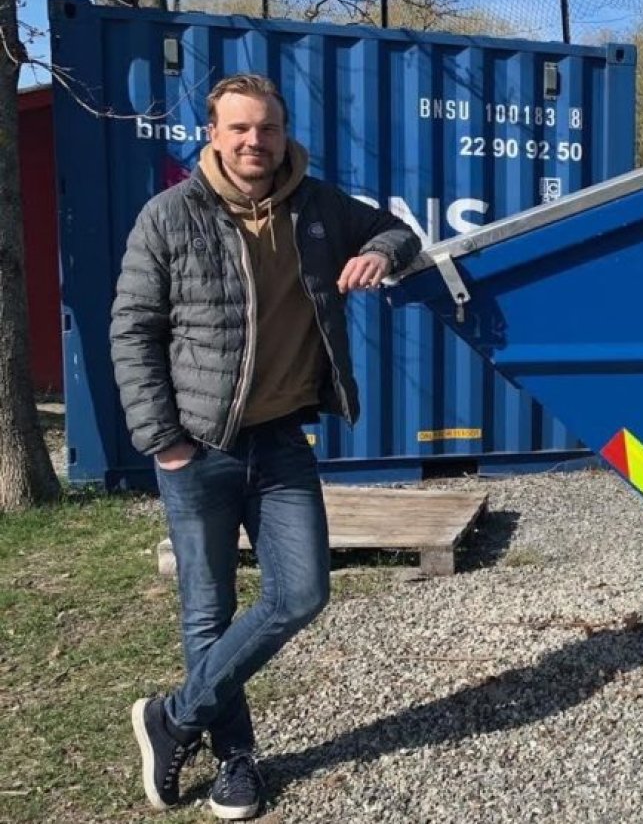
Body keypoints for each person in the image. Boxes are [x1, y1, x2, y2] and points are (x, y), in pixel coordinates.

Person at [112, 73, 420, 819]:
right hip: (198, 445)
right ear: (214, 135)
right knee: (207, 612)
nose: (256, 141)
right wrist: (164, 441)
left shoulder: (317, 207)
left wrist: (382, 254)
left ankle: (174, 717)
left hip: (281, 441)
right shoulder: (170, 215)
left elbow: (398, 230)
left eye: (269, 128)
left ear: (285, 134)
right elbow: (133, 330)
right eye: (240, 128)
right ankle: (235, 760)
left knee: (303, 592)